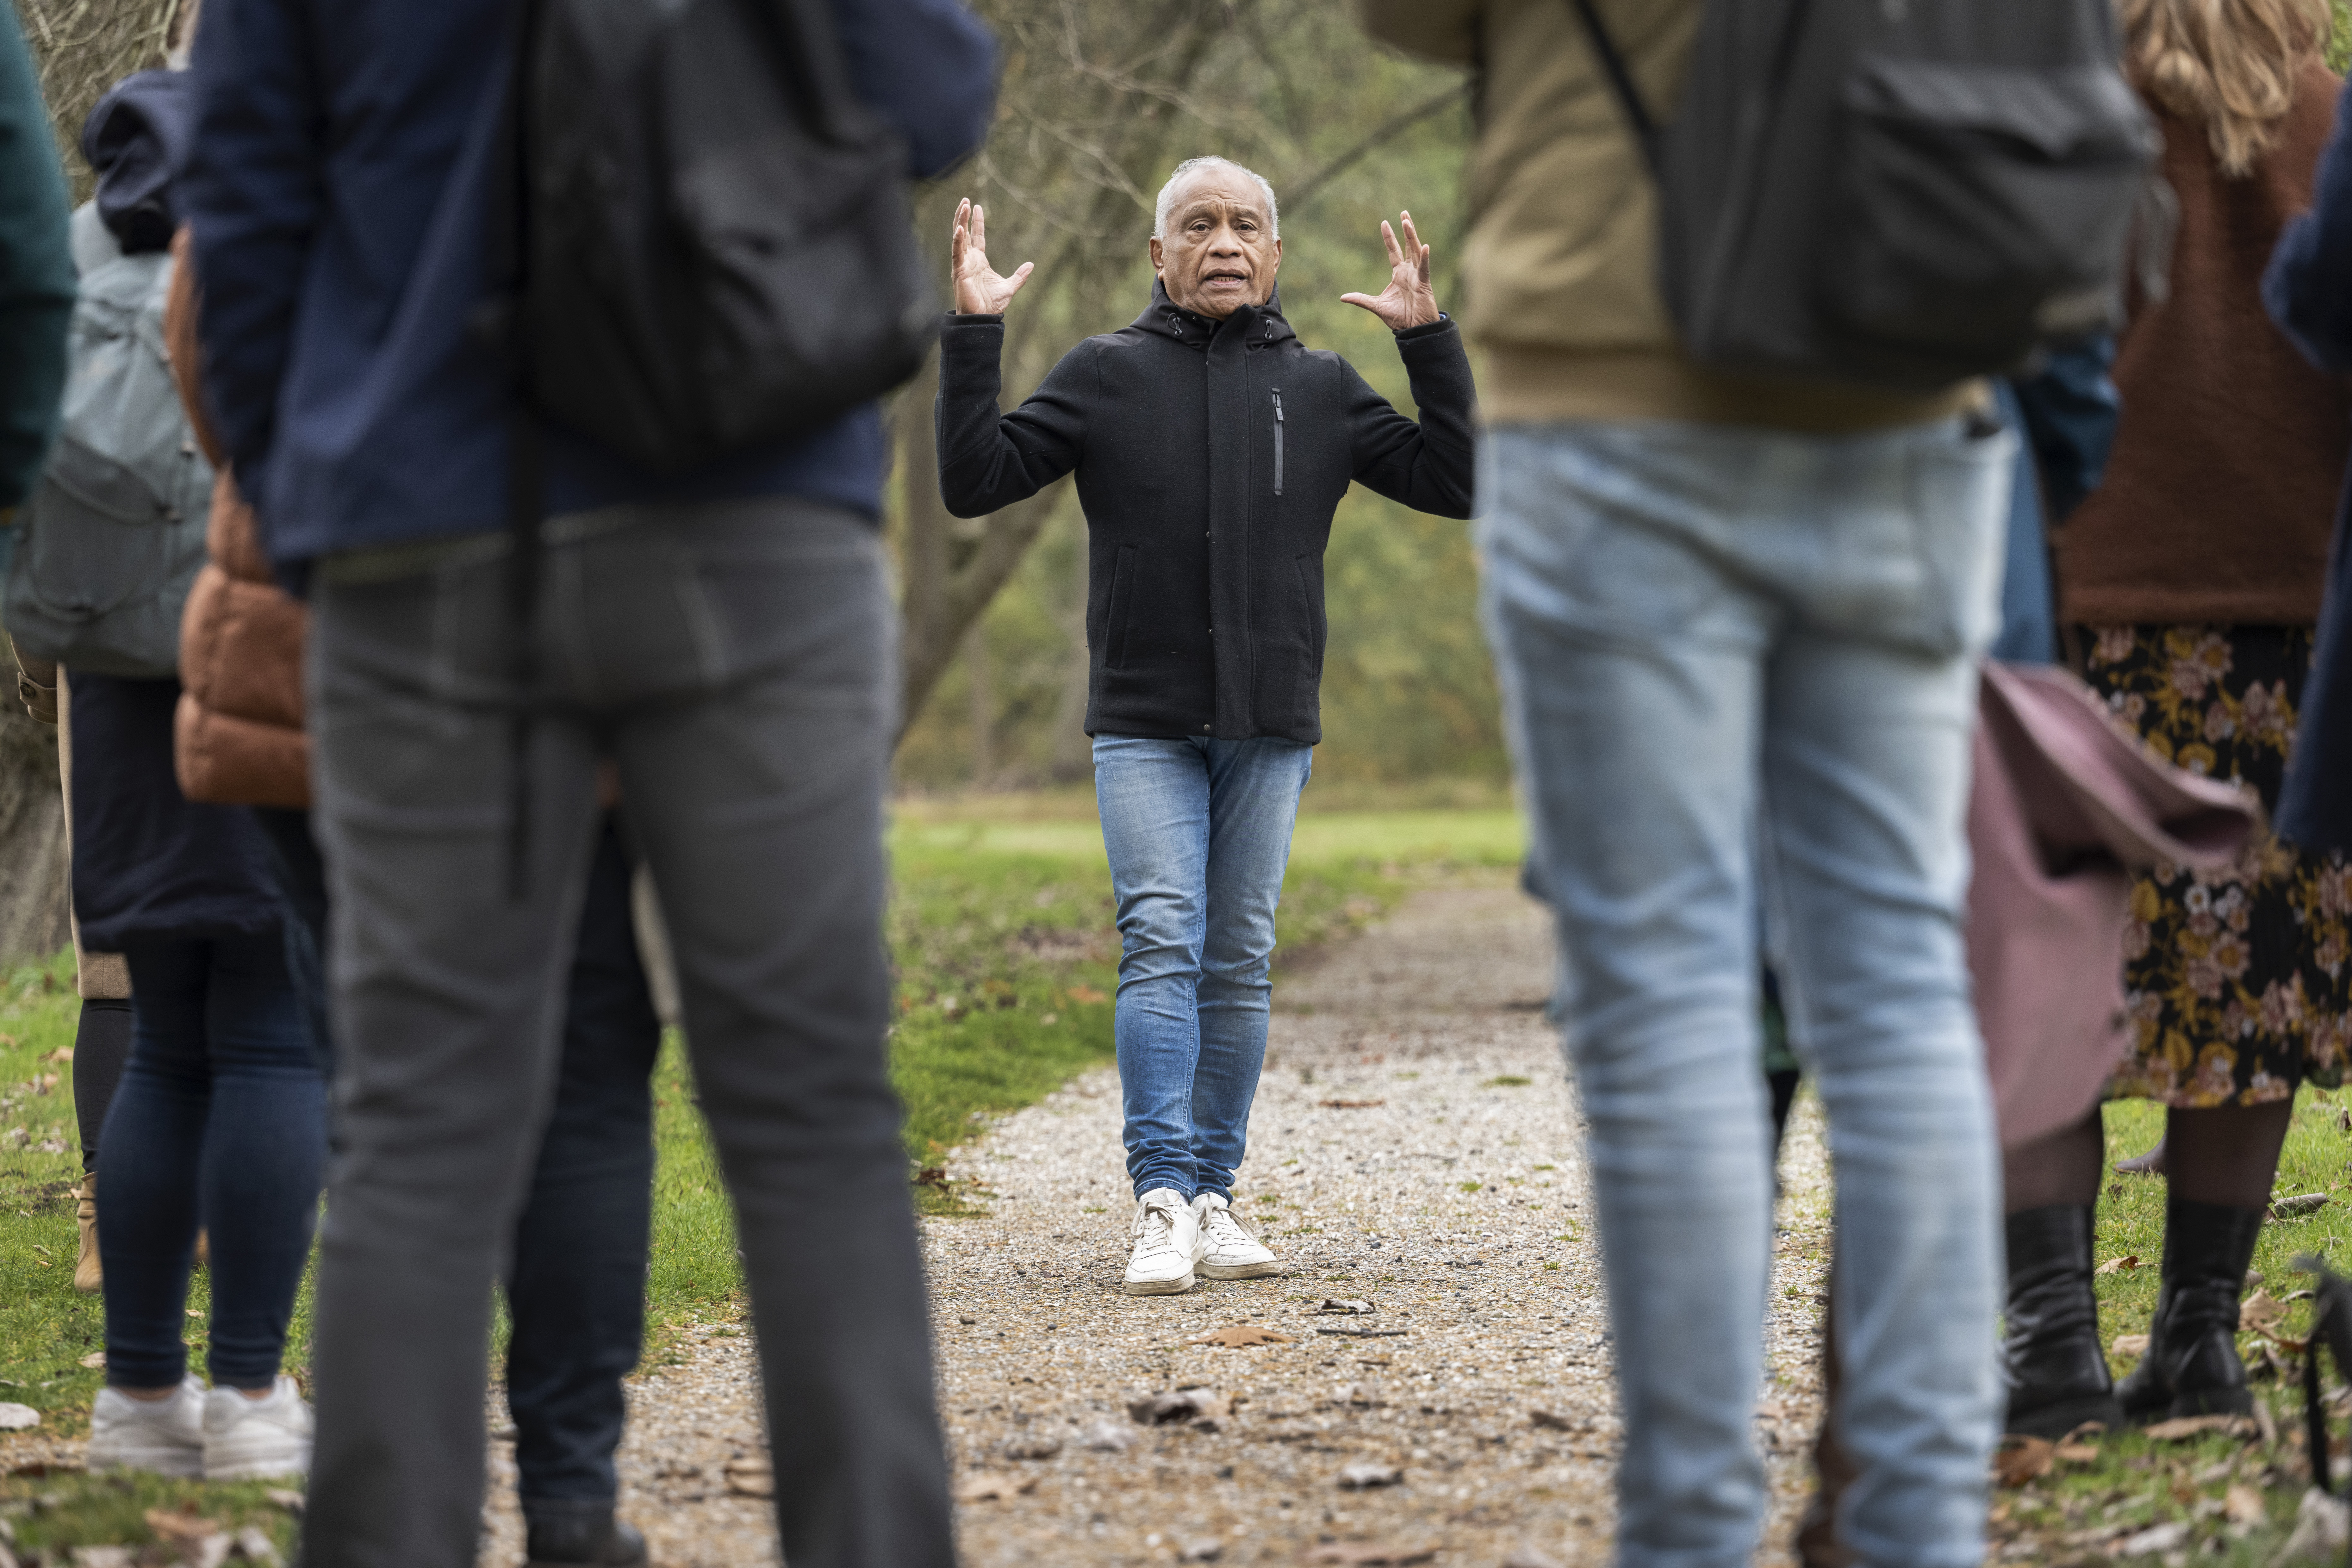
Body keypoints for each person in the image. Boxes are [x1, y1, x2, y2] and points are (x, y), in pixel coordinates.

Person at [183, 2, 996, 1563]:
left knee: (417, 1120)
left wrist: (313, 498)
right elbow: (928, 84)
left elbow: (248, 197)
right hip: (750, 496)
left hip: (416, 517)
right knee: (811, 1103)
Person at [1359, 4, 2013, 1565]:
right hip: (1900, 356)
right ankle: (1923, 1533)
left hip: (1612, 363)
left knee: (1662, 998)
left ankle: (1691, 1534)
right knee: (1901, 986)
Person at [162, 227, 664, 1568]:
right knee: (584, 1076)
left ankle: (398, 1515)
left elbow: (211, 345)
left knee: (389, 1080)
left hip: (325, 627)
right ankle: (566, 1501)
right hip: (567, 626)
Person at [934, 163, 1477, 1294]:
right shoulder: (1104, 373)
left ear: (1275, 257)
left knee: (1236, 959)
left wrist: (1430, 344)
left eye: (1244, 226)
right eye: (1197, 224)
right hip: (1142, 715)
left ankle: (1217, 1194)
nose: (1222, 241)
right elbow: (974, 480)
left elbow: (1457, 480)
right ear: (1158, 255)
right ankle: (1162, 1196)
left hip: (1270, 717)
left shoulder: (1322, 385)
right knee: (1163, 935)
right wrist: (973, 333)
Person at [2002, 0, 2352, 1436]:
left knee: (2051, 979)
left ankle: (2052, 1356)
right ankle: (2199, 1349)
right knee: (2249, 987)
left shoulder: (2045, 108)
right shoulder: (2328, 119)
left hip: (2077, 602)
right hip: (2297, 616)